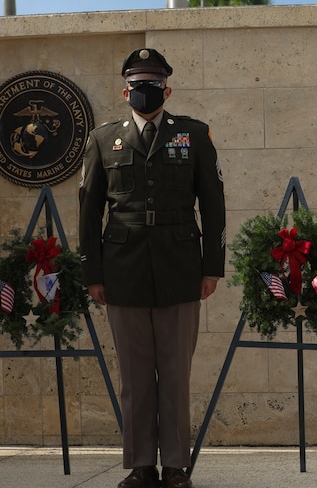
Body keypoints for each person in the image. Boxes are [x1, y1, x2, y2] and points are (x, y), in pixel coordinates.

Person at [79, 48, 226, 488]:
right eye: (138, 83)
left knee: (176, 374)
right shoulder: (103, 139)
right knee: (136, 376)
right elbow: (89, 213)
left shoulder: (195, 135)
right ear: (125, 90)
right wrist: (93, 273)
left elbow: (213, 206)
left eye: (153, 83)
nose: (146, 90)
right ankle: (141, 465)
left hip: (180, 267)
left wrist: (211, 267)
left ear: (168, 88)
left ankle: (176, 466)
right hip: (122, 271)